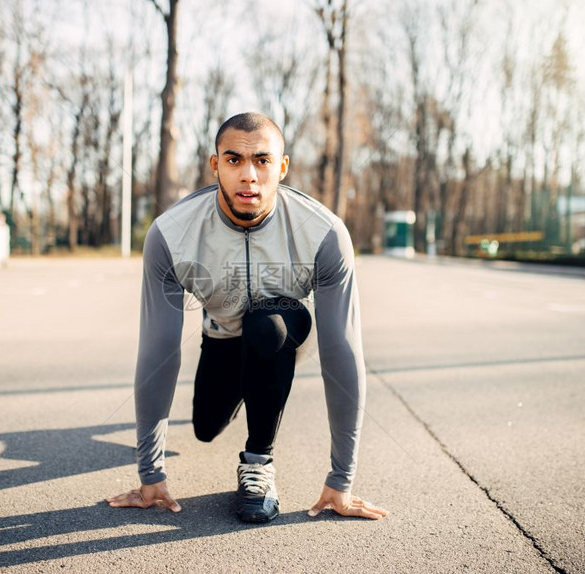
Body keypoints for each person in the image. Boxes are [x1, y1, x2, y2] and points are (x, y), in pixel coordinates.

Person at [106, 112, 387, 523]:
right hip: (220, 334)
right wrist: (151, 473)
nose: (249, 176)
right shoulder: (170, 235)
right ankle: (246, 382)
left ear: (282, 167)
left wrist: (341, 479)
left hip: (283, 327)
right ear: (214, 165)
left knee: (266, 324)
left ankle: (258, 464)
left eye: (263, 161)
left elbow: (343, 354)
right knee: (204, 428)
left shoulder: (324, 233)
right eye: (234, 160)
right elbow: (158, 352)